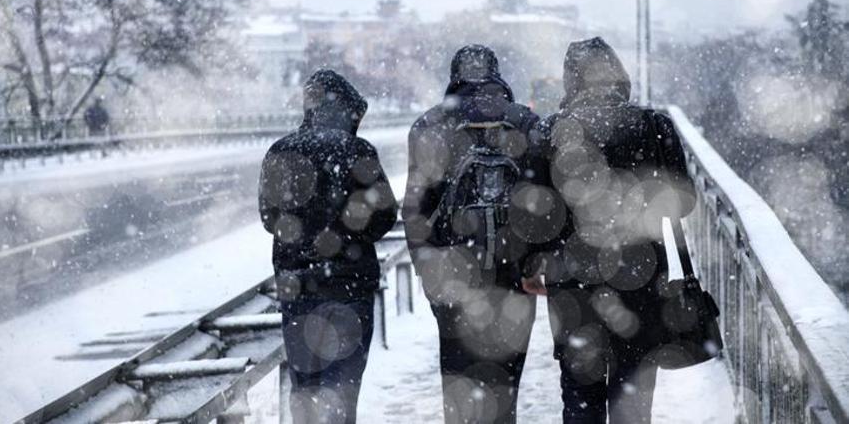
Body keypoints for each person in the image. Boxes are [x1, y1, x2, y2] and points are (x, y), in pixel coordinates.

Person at [522, 37, 696, 424]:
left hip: (573, 286)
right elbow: (684, 203)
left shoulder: (550, 132)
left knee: (580, 397)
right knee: (632, 398)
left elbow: (533, 217)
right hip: (640, 280)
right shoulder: (653, 126)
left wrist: (531, 265)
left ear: (571, 80)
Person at [402, 44, 542, 424]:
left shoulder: (430, 125)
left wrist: (427, 268)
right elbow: (545, 204)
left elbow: (415, 210)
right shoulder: (524, 122)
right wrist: (536, 264)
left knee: (459, 383)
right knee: (505, 385)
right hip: (513, 275)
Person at [259, 69, 399, 424]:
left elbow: (270, 218)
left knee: (306, 388)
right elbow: (385, 216)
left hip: (299, 289)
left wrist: (303, 234)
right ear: (348, 110)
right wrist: (349, 235)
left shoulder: (281, 151)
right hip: (349, 287)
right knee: (342, 388)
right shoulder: (358, 151)